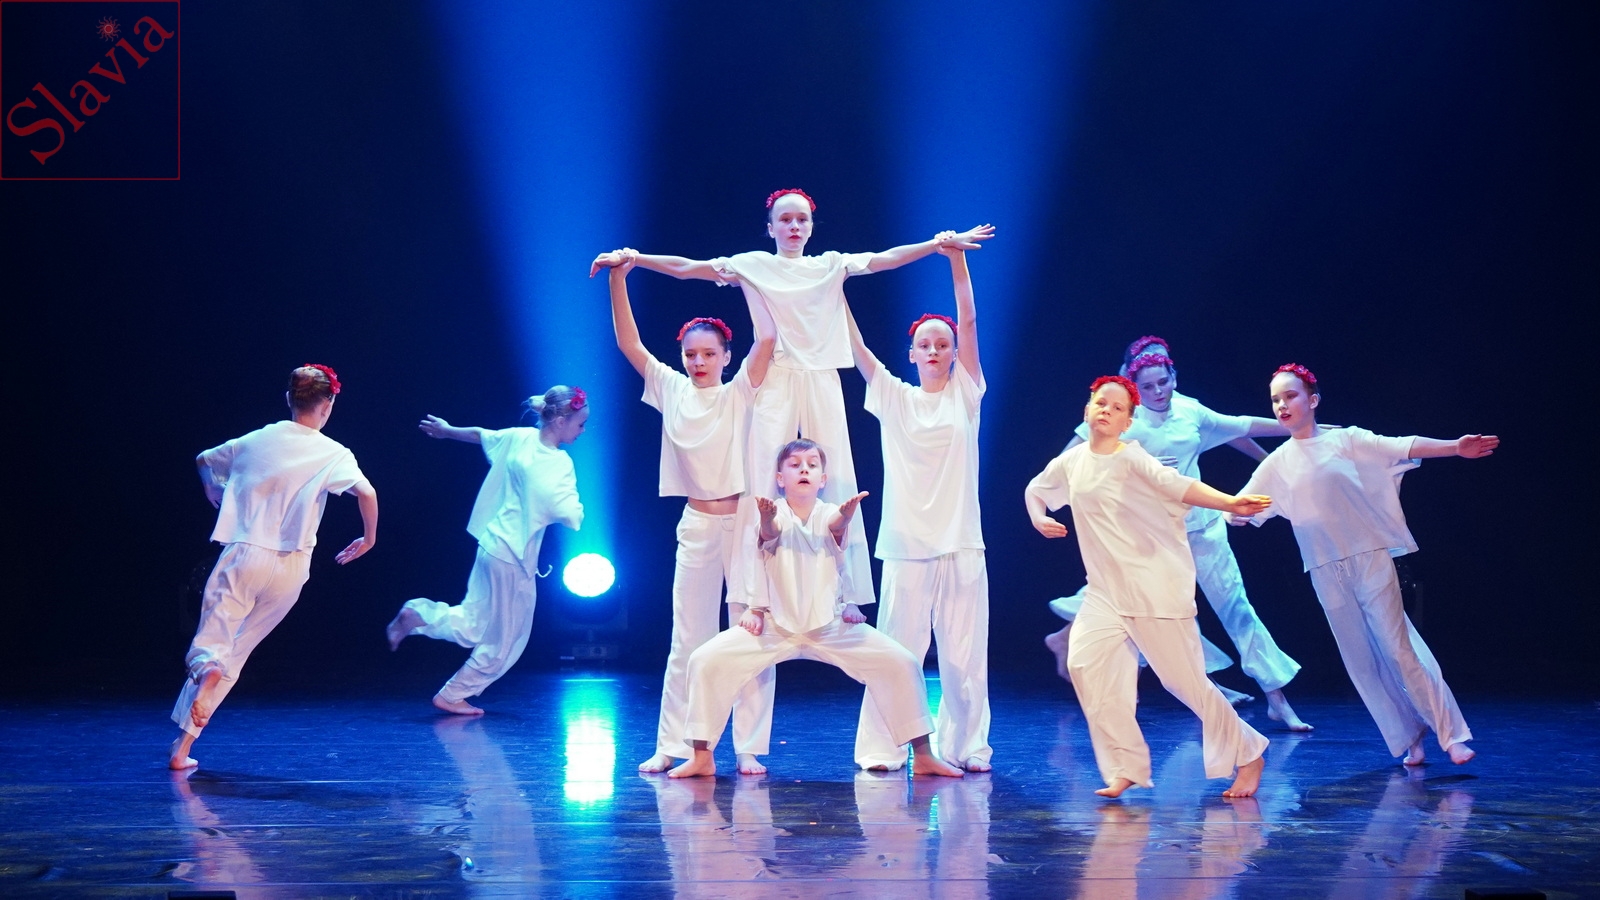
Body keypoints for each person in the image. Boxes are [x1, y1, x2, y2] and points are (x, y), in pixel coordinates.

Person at [590, 189, 993, 615]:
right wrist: (637, 259)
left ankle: (847, 595)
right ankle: (754, 595)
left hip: (821, 375)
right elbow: (689, 268)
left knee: (837, 477)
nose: (794, 226)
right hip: (777, 378)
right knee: (762, 479)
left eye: (802, 219)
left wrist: (936, 245)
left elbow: (884, 258)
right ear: (770, 228)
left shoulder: (829, 265)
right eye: (785, 220)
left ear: (812, 226)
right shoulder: (753, 264)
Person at [1234, 364, 1495, 766]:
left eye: (1290, 396)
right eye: (1275, 400)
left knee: (1398, 648)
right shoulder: (1276, 464)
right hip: (1324, 569)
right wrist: (1233, 514)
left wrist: (1454, 447)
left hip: (1369, 557)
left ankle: (1451, 736)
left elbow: (1402, 446)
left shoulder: (1347, 440)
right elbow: (1240, 505)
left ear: (1312, 400)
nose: (1282, 405)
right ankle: (1409, 737)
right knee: (1362, 662)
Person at [1045, 340, 1311, 731]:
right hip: (1154, 537)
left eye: (1163, 382)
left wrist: (1299, 427)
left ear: (1173, 377)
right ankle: (1195, 691)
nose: (1158, 392)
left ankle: (1277, 699)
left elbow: (1240, 426)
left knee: (1237, 609)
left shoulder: (1190, 411)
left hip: (1203, 530)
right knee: (1154, 613)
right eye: (1148, 386)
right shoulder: (1122, 417)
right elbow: (1070, 464)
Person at [1025, 376, 1271, 798]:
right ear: (1087, 411)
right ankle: (1126, 766)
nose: (1106, 410)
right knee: (1085, 665)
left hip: (1153, 590)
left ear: (1128, 422)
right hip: (1105, 593)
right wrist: (1038, 516)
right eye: (1101, 403)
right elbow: (1037, 488)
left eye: (1117, 407)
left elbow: (1180, 486)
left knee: (1185, 682)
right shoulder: (1072, 462)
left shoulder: (1132, 459)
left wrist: (1229, 502)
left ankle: (1249, 754)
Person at [668, 439, 963, 779]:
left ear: (822, 479)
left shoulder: (828, 513)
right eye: (795, 465)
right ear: (781, 478)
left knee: (902, 662)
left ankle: (923, 755)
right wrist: (766, 523)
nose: (804, 469)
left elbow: (835, 525)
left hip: (829, 627)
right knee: (704, 660)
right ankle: (702, 757)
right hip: (774, 628)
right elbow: (771, 532)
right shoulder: (773, 513)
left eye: (811, 464)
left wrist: (846, 516)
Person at [592, 248, 779, 775]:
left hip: (744, 524)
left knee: (750, 633)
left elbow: (767, 338)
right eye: (691, 353)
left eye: (708, 354)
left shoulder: (739, 392)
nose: (698, 361)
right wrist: (619, 277)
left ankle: (747, 746)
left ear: (725, 356)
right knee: (688, 640)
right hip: (696, 524)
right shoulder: (670, 388)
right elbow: (629, 343)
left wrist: (747, 279)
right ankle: (675, 744)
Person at [169, 364, 378, 770]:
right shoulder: (335, 453)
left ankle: (204, 669)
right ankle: (181, 749)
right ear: (328, 405)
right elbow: (366, 493)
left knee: (212, 647)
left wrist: (210, 483)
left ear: (288, 400)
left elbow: (204, 459)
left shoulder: (257, 439)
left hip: (245, 555)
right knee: (236, 654)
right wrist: (368, 539)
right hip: (291, 569)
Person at [846, 240, 993, 772]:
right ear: (911, 354)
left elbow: (969, 319)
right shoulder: (895, 396)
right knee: (895, 652)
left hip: (960, 542)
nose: (933, 351)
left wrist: (955, 258)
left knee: (963, 657)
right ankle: (881, 747)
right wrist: (831, 286)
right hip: (906, 544)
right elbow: (857, 348)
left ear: (953, 353)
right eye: (924, 345)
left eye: (942, 344)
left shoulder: (965, 394)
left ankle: (966, 745)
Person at [385, 386, 587, 715]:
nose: (583, 430)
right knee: (506, 641)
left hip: (492, 545)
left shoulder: (521, 437)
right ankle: (453, 694)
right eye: (580, 424)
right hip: (512, 558)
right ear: (561, 422)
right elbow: (564, 508)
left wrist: (448, 431)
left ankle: (419, 613)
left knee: (475, 623)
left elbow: (482, 435)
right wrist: (575, 513)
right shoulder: (557, 461)